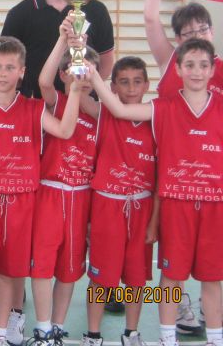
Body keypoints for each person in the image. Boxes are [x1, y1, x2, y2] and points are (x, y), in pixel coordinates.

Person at [87, 38, 223, 346]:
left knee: (213, 279)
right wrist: (92, 72)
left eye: (204, 65)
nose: (197, 72)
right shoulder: (163, 108)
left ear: (214, 68)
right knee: (170, 277)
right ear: (177, 69)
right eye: (189, 65)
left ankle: (216, 339)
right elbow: (119, 108)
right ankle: (166, 338)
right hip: (175, 205)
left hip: (215, 204)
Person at [0, 36, 83, 346]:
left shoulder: (34, 109)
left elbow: (65, 130)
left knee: (9, 275)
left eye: (10, 67)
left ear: (22, 71)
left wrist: (75, 89)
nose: (2, 73)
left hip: (24, 203)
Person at [144, 0, 223, 333]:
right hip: (170, 181)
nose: (196, 38)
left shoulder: (217, 68)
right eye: (187, 34)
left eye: (202, 30)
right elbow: (148, 18)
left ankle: (212, 323)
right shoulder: (170, 62)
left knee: (213, 268)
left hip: (212, 186)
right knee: (169, 267)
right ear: (177, 41)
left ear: (212, 31)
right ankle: (171, 319)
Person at [28, 19, 101, 346]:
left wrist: (83, 61)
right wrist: (65, 42)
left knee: (71, 269)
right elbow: (43, 79)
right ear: (64, 74)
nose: (82, 76)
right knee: (42, 265)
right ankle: (42, 326)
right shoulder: (56, 102)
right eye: (75, 70)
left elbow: (99, 106)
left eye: (89, 71)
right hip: (50, 193)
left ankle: (57, 326)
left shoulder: (102, 114)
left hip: (82, 198)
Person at [80, 56, 157, 346]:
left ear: (148, 85)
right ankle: (93, 334)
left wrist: (155, 221)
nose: (131, 87)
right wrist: (77, 53)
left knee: (136, 278)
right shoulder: (103, 112)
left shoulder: (156, 117)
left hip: (141, 206)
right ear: (113, 87)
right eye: (123, 82)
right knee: (100, 277)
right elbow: (74, 94)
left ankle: (132, 333)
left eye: (138, 81)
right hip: (107, 206)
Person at [1, 0, 114, 98]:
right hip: (38, 104)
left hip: (84, 107)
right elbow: (7, 61)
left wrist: (86, 89)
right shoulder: (19, 14)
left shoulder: (97, 10)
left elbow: (107, 61)